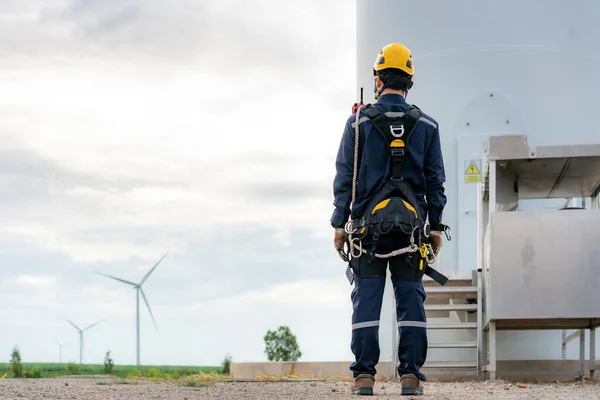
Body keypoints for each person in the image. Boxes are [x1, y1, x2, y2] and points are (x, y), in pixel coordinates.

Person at [330, 42, 449, 396]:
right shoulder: (427, 125)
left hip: (367, 232)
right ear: (409, 82)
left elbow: (344, 178)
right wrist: (437, 227)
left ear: (378, 79)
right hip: (412, 233)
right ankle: (410, 376)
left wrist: (339, 224)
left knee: (366, 300)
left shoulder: (358, 122)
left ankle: (364, 377)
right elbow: (435, 182)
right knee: (410, 299)